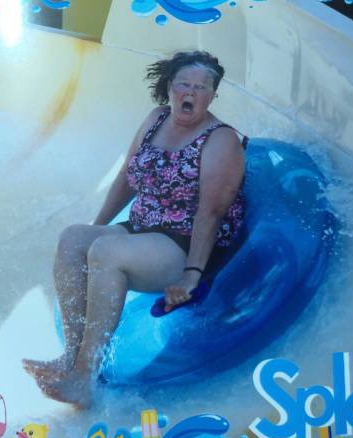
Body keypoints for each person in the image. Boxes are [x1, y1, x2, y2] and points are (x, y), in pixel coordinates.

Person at [22, 51, 246, 407]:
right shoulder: (157, 119)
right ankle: (70, 358)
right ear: (169, 87)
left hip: (185, 242)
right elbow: (128, 175)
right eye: (184, 84)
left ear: (212, 95)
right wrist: (97, 226)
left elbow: (212, 211)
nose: (191, 92)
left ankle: (83, 378)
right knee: (73, 239)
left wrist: (191, 275)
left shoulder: (221, 139)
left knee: (106, 252)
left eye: (202, 87)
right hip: (143, 227)